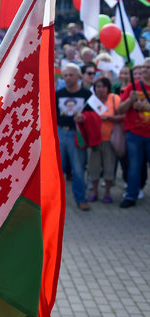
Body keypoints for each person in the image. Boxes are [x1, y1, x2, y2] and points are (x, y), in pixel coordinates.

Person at [56, 63, 92, 211]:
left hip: (76, 134)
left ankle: (80, 199)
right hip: (60, 133)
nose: (68, 78)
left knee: (78, 169)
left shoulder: (86, 94)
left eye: (71, 75)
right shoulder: (58, 94)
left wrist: (84, 117)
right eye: (65, 75)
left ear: (78, 76)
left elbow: (94, 114)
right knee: (58, 169)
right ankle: (55, 201)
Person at [117, 63, 150, 208]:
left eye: (149, 67)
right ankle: (131, 195)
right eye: (144, 67)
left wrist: (145, 107)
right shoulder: (133, 87)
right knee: (134, 166)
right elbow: (120, 109)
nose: (145, 70)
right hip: (135, 134)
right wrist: (130, 100)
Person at [88, 78, 122, 203]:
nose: (100, 89)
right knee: (94, 167)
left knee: (109, 167)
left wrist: (109, 118)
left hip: (109, 140)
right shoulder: (91, 100)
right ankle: (94, 192)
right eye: (97, 86)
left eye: (103, 86)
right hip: (94, 140)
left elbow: (123, 116)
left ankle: (107, 193)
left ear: (108, 88)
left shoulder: (114, 98)